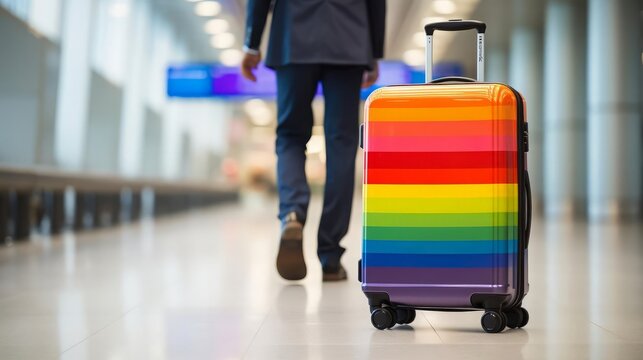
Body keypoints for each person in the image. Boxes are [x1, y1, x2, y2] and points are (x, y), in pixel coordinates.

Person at [241, 0, 386, 281]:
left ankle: (292, 213)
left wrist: (252, 43)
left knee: (291, 136)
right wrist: (374, 51)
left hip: (291, 35)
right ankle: (330, 256)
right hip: (349, 39)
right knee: (342, 143)